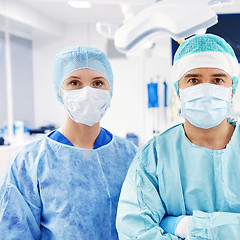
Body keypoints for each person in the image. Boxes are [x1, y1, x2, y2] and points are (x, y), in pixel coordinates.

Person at [116, 34, 240, 240]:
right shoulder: (154, 157)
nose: (206, 89)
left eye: (218, 80)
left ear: (232, 90)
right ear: (179, 89)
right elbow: (136, 234)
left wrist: (182, 225)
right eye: (193, 80)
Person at [0, 46, 137, 239]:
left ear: (110, 90)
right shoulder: (28, 163)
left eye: (98, 83)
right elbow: (14, 232)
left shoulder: (131, 157)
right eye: (74, 83)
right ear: (60, 91)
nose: (87, 92)